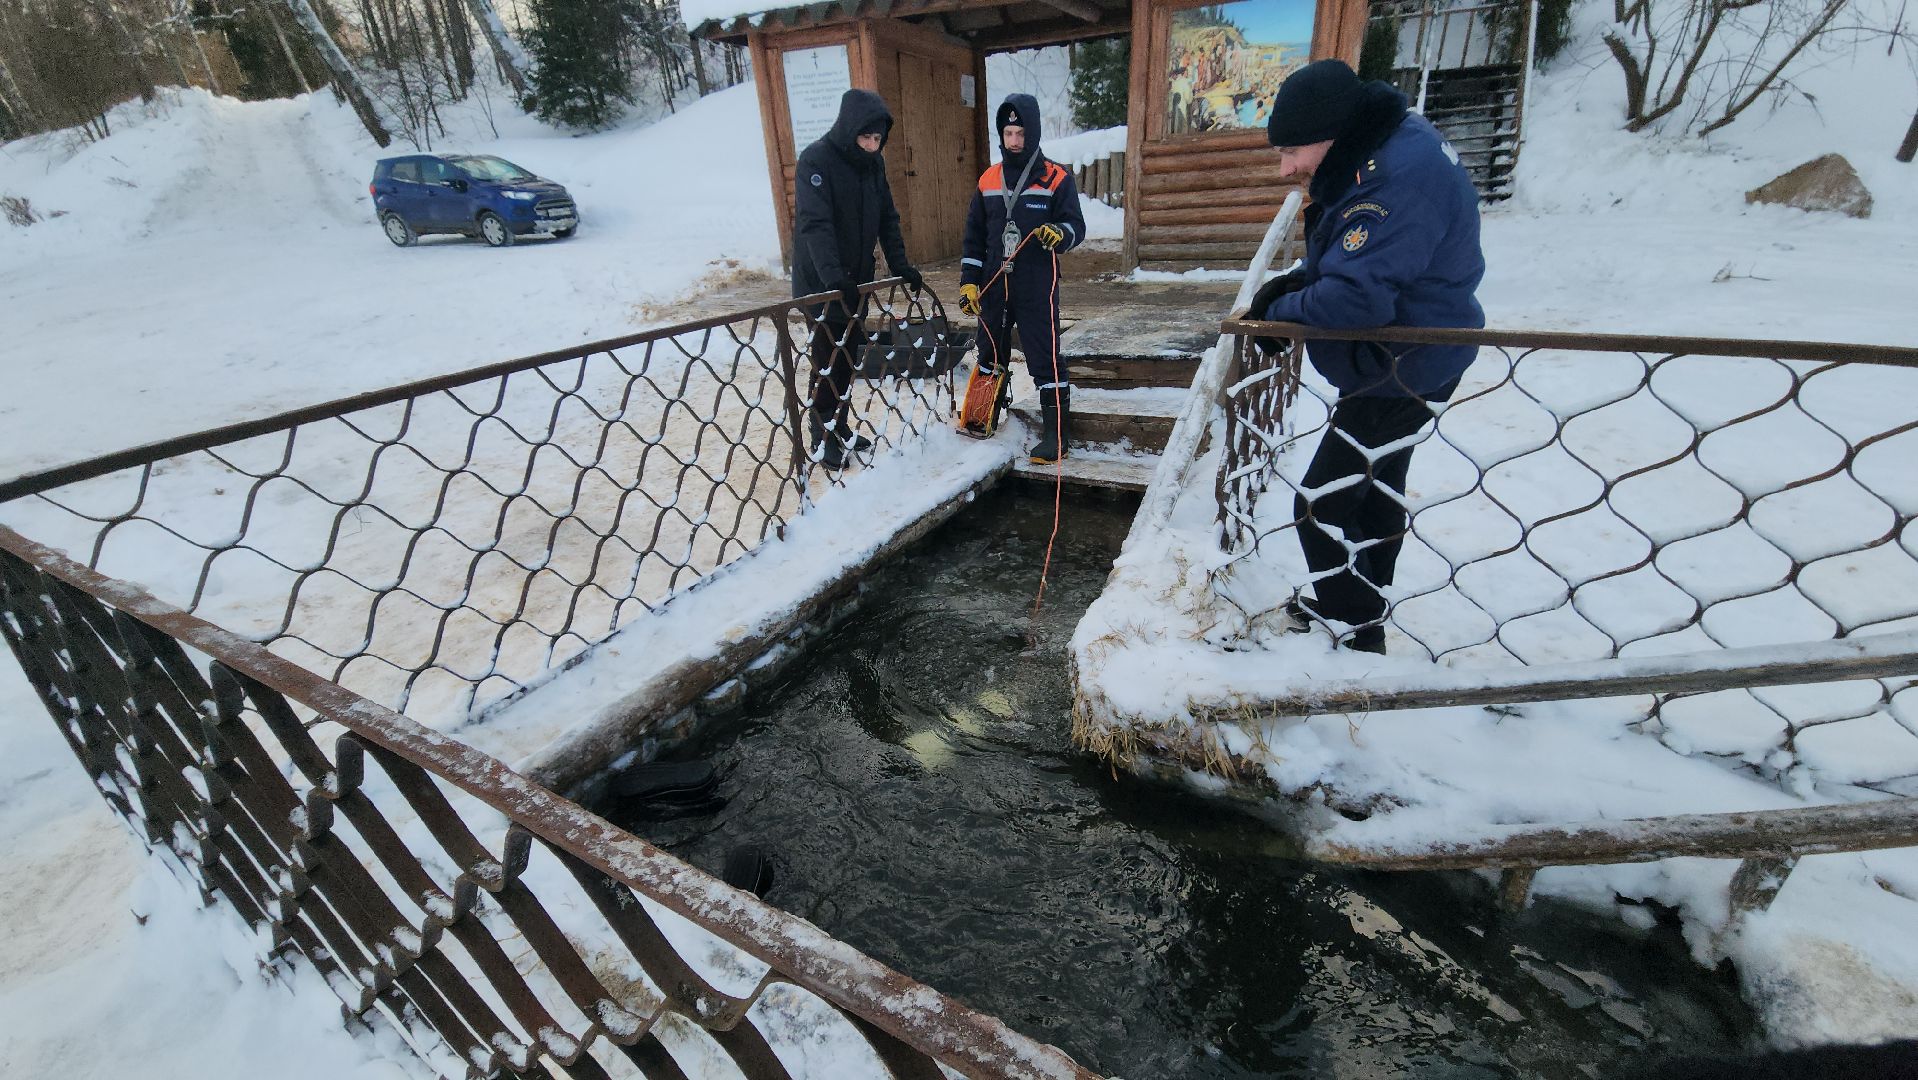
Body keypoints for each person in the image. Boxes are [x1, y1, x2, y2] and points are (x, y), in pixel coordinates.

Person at [1250, 59, 1485, 654]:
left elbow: (1357, 297)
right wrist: (1296, 286)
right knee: (1374, 494)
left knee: (1320, 505)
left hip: (1401, 365)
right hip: (1407, 354)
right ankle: (1358, 609)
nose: (1287, 169)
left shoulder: (1394, 177)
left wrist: (1282, 314)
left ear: (1331, 132)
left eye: (1294, 151)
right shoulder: (1386, 146)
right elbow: (1363, 260)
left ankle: (1353, 629)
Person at [791, 88, 925, 470]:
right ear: (849, 129)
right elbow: (815, 225)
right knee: (827, 356)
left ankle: (840, 424)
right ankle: (821, 433)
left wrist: (900, 263)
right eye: (865, 137)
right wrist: (833, 278)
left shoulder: (873, 165)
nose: (870, 145)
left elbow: (887, 216)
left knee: (850, 354)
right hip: (822, 281)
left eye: (877, 139)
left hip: (855, 280)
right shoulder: (816, 161)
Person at [957, 93, 1086, 464]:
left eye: (1020, 133)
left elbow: (1076, 226)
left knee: (1044, 357)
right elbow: (974, 238)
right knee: (989, 351)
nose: (1013, 141)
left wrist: (1059, 234)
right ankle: (982, 417)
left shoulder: (1056, 178)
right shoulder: (988, 180)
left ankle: (1054, 434)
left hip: (1035, 286)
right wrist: (969, 281)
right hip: (994, 283)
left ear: (1034, 133)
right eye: (1008, 133)